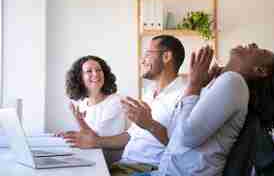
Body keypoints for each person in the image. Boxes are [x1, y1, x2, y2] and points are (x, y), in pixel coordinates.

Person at [124, 43, 274, 176]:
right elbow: (175, 134)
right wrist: (200, 87)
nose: (253, 45)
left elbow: (186, 137)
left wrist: (194, 84)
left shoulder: (234, 81)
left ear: (260, 70)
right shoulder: (223, 83)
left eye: (260, 51)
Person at [63, 35, 187, 175]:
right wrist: (95, 141)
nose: (142, 60)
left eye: (147, 54)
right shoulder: (149, 93)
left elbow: (182, 147)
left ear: (166, 56)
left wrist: (150, 124)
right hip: (124, 165)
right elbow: (129, 136)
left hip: (148, 168)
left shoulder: (183, 96)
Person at [59, 55, 126, 138]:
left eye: (99, 70)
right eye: (89, 71)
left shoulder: (116, 101)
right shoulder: (82, 104)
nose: (95, 74)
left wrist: (80, 121)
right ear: (80, 78)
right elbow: (86, 134)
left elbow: (97, 140)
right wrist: (69, 135)